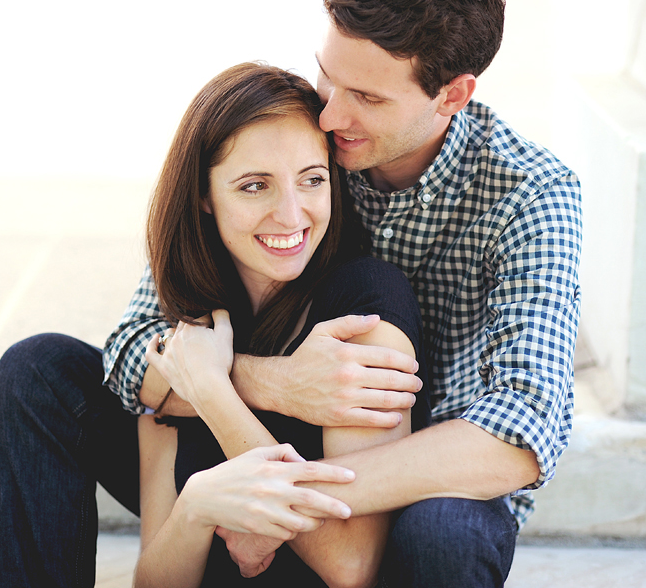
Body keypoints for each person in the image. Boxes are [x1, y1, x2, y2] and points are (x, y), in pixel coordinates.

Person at [0, 0, 582, 586]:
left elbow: (522, 432)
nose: (329, 116)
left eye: (366, 97)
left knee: (447, 534)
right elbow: (139, 349)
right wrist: (273, 386)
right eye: (329, 76)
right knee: (39, 372)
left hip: (415, 484)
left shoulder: (530, 194)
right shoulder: (302, 138)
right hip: (241, 434)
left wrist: (277, 499)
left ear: (453, 95)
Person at [130, 61, 429, 587]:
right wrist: (197, 506)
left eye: (312, 180)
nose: (291, 216)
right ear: (203, 195)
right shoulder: (191, 325)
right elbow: (153, 578)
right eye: (254, 186)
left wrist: (213, 395)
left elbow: (351, 564)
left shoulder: (366, 304)